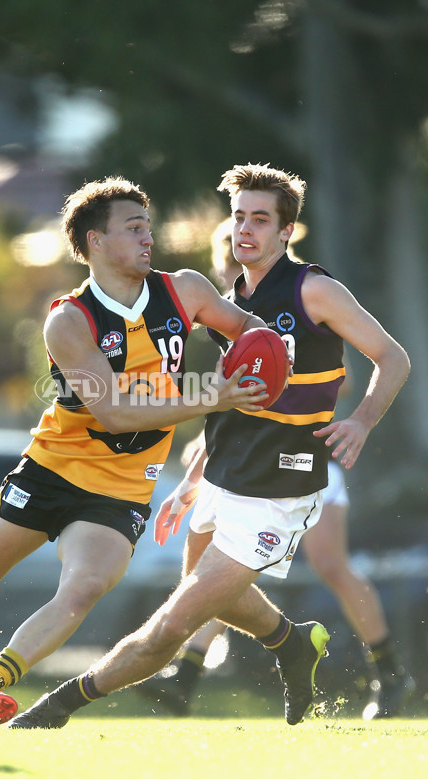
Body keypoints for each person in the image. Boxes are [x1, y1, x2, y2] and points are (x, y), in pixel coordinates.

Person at [0, 176, 271, 726]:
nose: (149, 238)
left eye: (149, 227)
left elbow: (250, 329)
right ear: (95, 241)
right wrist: (212, 395)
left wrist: (260, 355)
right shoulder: (68, 320)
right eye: (134, 228)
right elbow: (114, 412)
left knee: (84, 589)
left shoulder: (186, 289)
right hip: (52, 471)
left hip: (121, 487)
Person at [5, 163, 409, 730]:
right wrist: (194, 474)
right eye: (239, 217)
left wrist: (363, 421)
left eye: (261, 220)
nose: (245, 229)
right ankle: (293, 645)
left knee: (174, 624)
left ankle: (58, 706)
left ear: (287, 231)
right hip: (222, 476)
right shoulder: (228, 300)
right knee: (213, 598)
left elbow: (394, 357)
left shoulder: (314, 289)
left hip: (280, 486)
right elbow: (223, 401)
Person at [135, 221, 414, 720]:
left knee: (330, 566)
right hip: (249, 466)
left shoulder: (308, 299)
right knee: (222, 568)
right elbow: (233, 406)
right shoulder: (229, 314)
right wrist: (202, 454)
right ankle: (189, 671)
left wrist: (284, 387)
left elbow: (344, 381)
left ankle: (390, 673)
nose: (229, 270)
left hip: (306, 461)